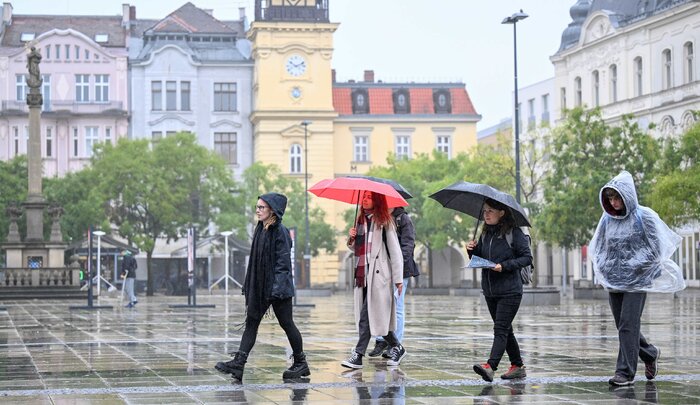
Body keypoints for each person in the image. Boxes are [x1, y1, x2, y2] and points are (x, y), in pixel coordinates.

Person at [589, 171, 685, 386]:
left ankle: (625, 373)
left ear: (627, 196)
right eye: (610, 199)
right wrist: (603, 270)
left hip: (637, 280)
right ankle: (649, 353)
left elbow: (656, 249)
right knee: (623, 326)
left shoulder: (645, 216)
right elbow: (600, 248)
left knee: (627, 324)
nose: (614, 203)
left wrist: (639, 267)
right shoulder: (607, 220)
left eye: (617, 198)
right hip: (614, 280)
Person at [215, 193, 310, 381]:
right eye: (257, 207)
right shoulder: (261, 230)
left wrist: (276, 291)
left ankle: (301, 363)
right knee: (252, 321)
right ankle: (239, 364)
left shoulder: (280, 232)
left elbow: (283, 265)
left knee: (287, 324)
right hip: (261, 288)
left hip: (277, 289)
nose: (257, 210)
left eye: (261, 207)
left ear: (272, 210)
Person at [466, 198, 533, 382]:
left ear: (501, 213)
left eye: (490, 210)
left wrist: (503, 266)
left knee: (500, 329)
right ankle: (517, 366)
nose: (486, 214)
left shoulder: (514, 233)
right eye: (485, 210)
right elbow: (480, 258)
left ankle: (491, 366)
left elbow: (526, 258)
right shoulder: (486, 233)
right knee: (506, 330)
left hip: (510, 290)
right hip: (490, 290)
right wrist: (472, 251)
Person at [341, 191, 406, 369]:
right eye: (364, 197)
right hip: (363, 275)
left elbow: (395, 252)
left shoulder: (384, 222)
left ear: (376, 201)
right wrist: (352, 238)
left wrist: (398, 279)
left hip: (379, 276)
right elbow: (358, 250)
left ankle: (358, 354)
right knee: (376, 316)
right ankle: (396, 345)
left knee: (367, 317)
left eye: (369, 197)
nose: (365, 200)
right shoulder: (360, 221)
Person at [367, 206, 419, 359]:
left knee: (397, 306)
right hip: (381, 270)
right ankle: (381, 340)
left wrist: (396, 266)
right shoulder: (378, 218)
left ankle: (397, 345)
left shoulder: (402, 219)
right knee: (381, 304)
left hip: (400, 270)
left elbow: (408, 245)